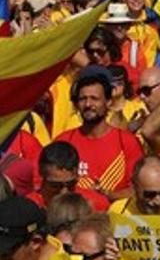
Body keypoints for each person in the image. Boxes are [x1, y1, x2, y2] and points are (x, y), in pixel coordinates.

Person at [53, 67, 144, 200]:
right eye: (83, 99)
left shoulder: (127, 143)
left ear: (108, 102)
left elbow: (138, 189)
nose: (88, 104)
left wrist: (109, 195)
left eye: (94, 98)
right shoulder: (64, 142)